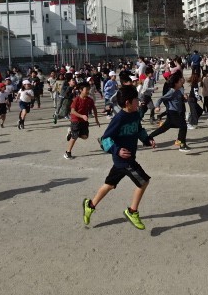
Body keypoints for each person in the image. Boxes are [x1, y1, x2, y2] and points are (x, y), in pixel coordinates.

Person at [82, 85, 155, 230]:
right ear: (128, 103)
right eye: (136, 99)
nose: (139, 101)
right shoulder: (119, 118)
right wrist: (117, 150)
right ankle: (132, 211)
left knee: (109, 184)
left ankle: (90, 205)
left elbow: (139, 129)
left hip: (125, 160)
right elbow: (105, 139)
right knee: (143, 181)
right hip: (124, 160)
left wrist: (147, 140)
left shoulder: (135, 114)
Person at [148, 70, 191, 152]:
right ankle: (182, 145)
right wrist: (157, 106)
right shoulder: (172, 91)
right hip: (172, 112)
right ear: (175, 83)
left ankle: (149, 137)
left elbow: (181, 100)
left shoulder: (178, 91)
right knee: (183, 126)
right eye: (179, 81)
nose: (181, 82)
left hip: (176, 113)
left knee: (163, 128)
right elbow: (161, 98)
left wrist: (186, 98)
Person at [64, 82, 100, 159]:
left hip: (84, 121)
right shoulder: (76, 99)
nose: (88, 91)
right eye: (86, 89)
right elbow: (72, 111)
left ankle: (71, 132)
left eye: (89, 89)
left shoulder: (89, 100)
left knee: (85, 136)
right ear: (81, 90)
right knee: (74, 137)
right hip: (76, 120)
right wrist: (82, 116)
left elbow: (94, 109)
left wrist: (96, 120)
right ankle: (67, 153)